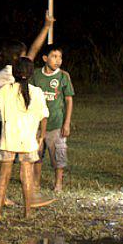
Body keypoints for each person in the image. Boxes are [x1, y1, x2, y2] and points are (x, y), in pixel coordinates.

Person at [0, 57, 53, 220]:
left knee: (4, 176)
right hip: (28, 141)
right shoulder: (36, 92)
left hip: (8, 139)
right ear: (30, 74)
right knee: (26, 176)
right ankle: (27, 212)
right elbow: (44, 116)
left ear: (14, 73)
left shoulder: (5, 90)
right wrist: (41, 136)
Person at [31, 44, 74, 193]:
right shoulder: (36, 75)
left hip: (56, 123)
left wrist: (66, 123)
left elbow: (68, 100)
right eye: (54, 56)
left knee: (58, 154)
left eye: (60, 57)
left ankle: (58, 184)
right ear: (45, 58)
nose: (58, 60)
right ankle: (35, 182)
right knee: (37, 153)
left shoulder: (63, 76)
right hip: (37, 123)